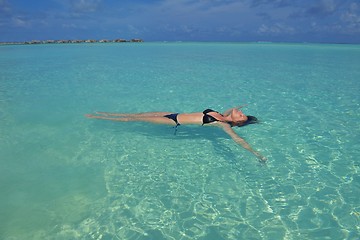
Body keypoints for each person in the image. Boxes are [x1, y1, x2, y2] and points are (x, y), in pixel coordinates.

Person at [85, 106, 266, 162]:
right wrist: (237, 110)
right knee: (136, 115)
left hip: (173, 121)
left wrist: (257, 154)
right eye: (242, 113)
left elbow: (237, 139)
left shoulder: (222, 124)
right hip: (172, 113)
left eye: (242, 116)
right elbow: (231, 109)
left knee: (133, 120)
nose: (241, 113)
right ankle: (104, 113)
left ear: (237, 122)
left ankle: (97, 117)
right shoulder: (221, 114)